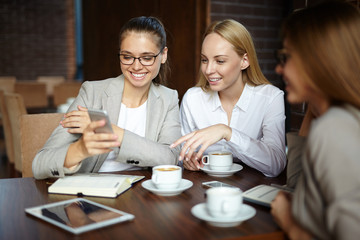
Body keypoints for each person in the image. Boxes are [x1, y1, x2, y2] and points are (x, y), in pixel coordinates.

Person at [32, 16, 181, 180]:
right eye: (127, 56)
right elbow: (40, 164)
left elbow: (170, 158)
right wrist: (80, 149)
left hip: (141, 195)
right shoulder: (92, 93)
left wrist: (113, 132)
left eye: (147, 58)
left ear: (163, 55)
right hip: (91, 195)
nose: (136, 66)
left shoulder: (169, 98)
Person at [270, 1, 360, 239]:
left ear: (318, 60)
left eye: (287, 57)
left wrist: (290, 223)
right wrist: (316, 101)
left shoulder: (336, 129)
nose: (280, 69)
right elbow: (299, 183)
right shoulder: (338, 120)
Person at [170, 19, 286, 177]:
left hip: (253, 189)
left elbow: (276, 164)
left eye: (220, 61)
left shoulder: (271, 97)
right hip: (202, 188)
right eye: (204, 60)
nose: (209, 70)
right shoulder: (193, 98)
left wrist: (227, 133)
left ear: (244, 61)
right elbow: (179, 154)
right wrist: (186, 160)